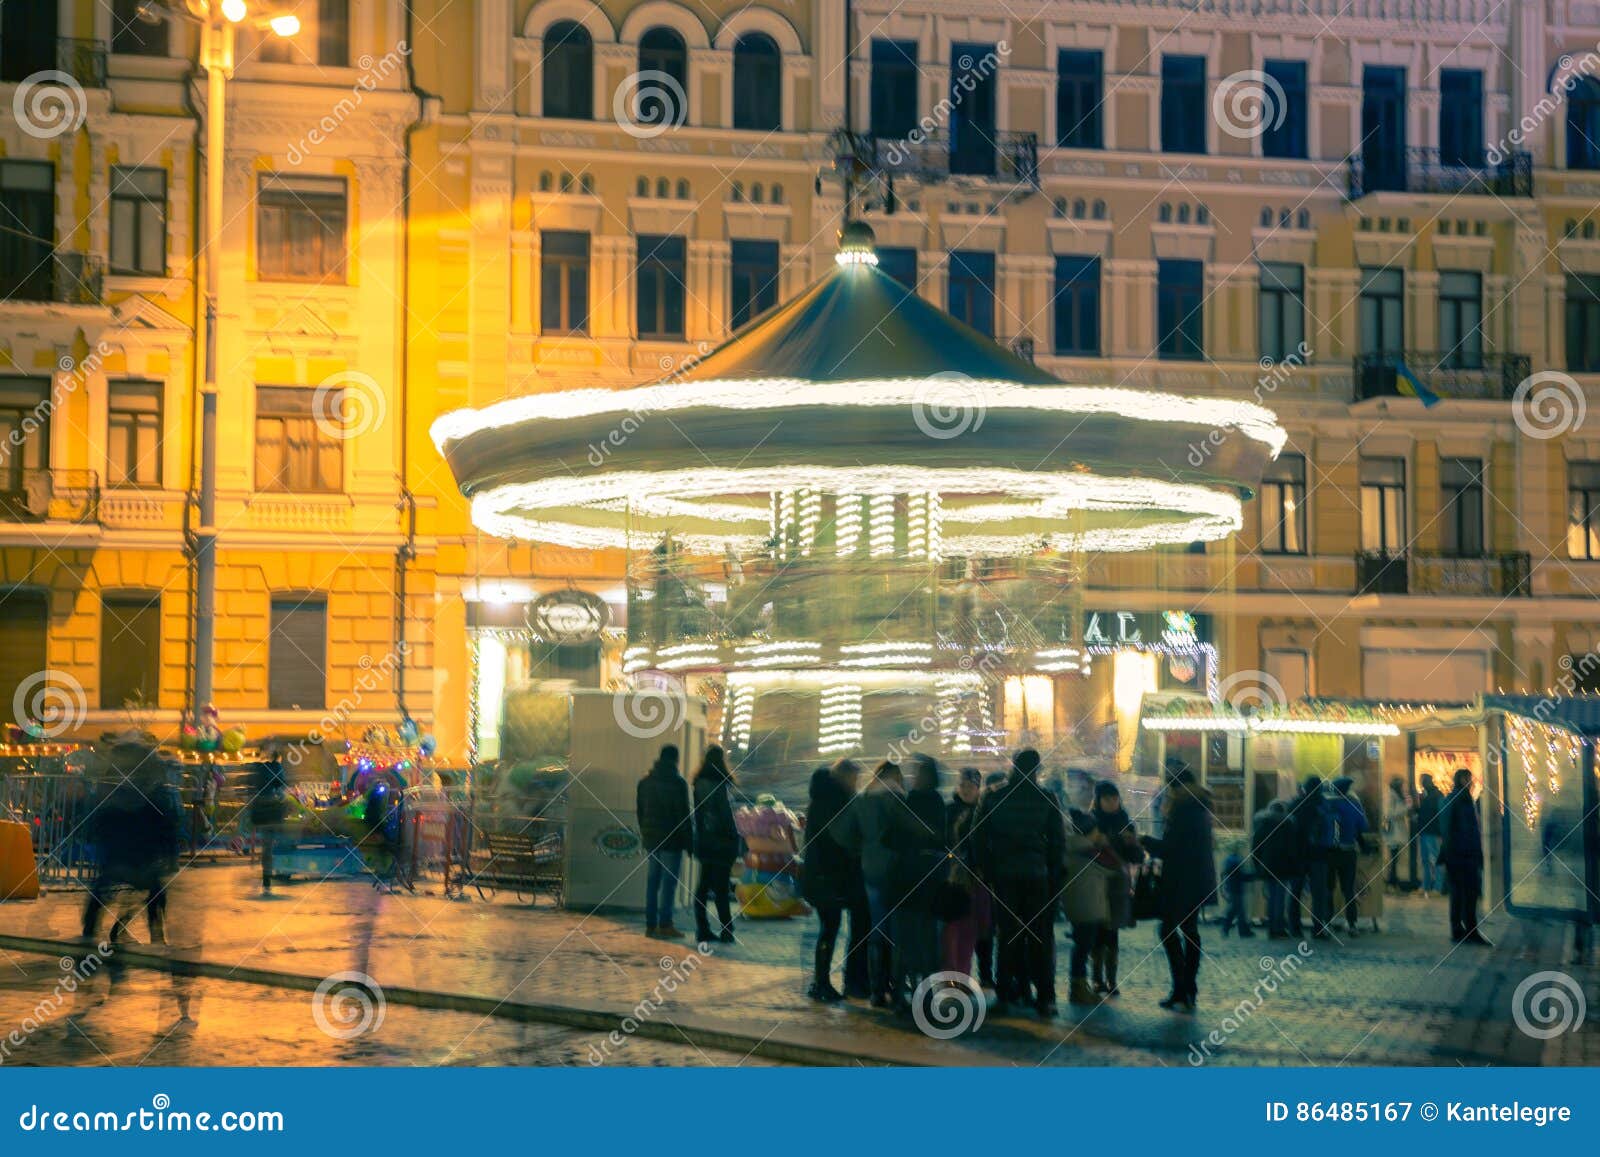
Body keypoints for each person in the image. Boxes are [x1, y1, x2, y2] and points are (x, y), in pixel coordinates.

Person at [974, 749, 1065, 1017]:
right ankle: (1046, 996)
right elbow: (1057, 844)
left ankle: (1005, 992)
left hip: (1004, 875)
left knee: (1007, 934)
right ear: (1037, 769)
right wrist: (1053, 876)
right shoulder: (1046, 799)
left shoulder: (994, 797)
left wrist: (988, 870)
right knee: (1041, 936)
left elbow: (978, 837)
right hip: (1038, 875)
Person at [82, 737, 183, 946]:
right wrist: (169, 854)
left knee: (106, 890)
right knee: (153, 891)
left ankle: (92, 929)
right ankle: (155, 933)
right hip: (139, 861)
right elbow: (166, 826)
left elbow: (98, 824)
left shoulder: (113, 793)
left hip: (119, 859)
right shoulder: (153, 795)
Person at [1141, 765, 1215, 1013]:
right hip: (1197, 880)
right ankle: (1187, 988)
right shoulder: (1200, 805)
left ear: (1176, 787)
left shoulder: (1183, 808)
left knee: (1169, 930)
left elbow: (1171, 848)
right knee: (1189, 930)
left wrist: (1144, 841)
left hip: (1182, 882)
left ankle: (1182, 987)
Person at [1065, 780, 1143, 1002]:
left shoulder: (1125, 822)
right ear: (1098, 800)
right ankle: (1096, 978)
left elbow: (1136, 857)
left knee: (1112, 932)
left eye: (1115, 798)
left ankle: (1111, 979)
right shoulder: (1091, 823)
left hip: (1117, 884)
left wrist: (1131, 844)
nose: (1112, 802)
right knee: (1095, 934)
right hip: (1094, 884)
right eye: (1107, 798)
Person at [835, 759, 904, 1006]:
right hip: (898, 873)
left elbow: (842, 833)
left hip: (871, 870)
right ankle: (896, 989)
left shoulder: (862, 800)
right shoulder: (900, 799)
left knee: (877, 929)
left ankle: (876, 990)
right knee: (897, 932)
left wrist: (862, 849)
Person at [803, 759, 871, 1001]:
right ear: (843, 777)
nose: (857, 784)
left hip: (823, 875)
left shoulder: (823, 799)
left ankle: (824, 982)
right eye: (854, 779)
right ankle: (822, 983)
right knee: (830, 929)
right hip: (828, 877)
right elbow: (841, 840)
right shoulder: (833, 802)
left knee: (830, 928)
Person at [886, 754, 948, 1009]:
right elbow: (941, 839)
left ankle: (902, 989)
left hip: (910, 877)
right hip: (928, 877)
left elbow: (893, 837)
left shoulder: (911, 800)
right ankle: (924, 989)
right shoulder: (937, 802)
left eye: (918, 772)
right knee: (927, 936)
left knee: (907, 935)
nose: (914, 776)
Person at [636, 744, 692, 939]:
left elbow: (640, 811)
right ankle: (665, 924)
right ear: (676, 760)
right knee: (668, 884)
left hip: (652, 840)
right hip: (672, 841)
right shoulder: (678, 783)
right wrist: (689, 842)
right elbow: (684, 817)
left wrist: (646, 833)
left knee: (653, 882)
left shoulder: (645, 782)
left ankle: (650, 925)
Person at [940, 767, 991, 982]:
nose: (966, 790)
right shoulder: (950, 810)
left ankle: (964, 975)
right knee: (952, 928)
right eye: (962, 785)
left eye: (970, 786)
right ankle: (951, 974)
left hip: (977, 877)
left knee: (972, 929)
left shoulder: (984, 811)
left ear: (978, 788)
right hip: (953, 878)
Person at [691, 745, 740, 945]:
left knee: (703, 888)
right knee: (721, 889)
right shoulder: (721, 786)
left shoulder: (698, 784)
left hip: (704, 842)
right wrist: (733, 841)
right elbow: (726, 818)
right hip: (722, 844)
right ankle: (727, 930)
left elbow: (700, 815)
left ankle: (702, 929)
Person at [1438, 768, 1489, 945]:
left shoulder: (1452, 798)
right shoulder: (1462, 800)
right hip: (1464, 856)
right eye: (1469, 778)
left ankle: (1459, 930)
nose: (1472, 782)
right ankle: (1469, 931)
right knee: (1468, 894)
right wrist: (1474, 853)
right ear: (1461, 780)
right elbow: (1467, 831)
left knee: (1459, 894)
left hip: (1457, 855)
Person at [972, 770, 1009, 989]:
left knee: (996, 928)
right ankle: (986, 974)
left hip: (997, 875)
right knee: (985, 928)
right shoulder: (985, 809)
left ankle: (996, 976)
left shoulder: (999, 809)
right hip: (985, 878)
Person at [1288, 776, 1334, 938]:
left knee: (1296, 892)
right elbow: (1330, 829)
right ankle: (1318, 927)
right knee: (1318, 893)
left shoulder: (1295, 804)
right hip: (1319, 855)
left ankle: (1294, 927)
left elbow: (1289, 830)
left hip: (1299, 855)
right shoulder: (1323, 805)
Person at [1328, 777, 1368, 934]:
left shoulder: (1329, 804)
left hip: (1330, 852)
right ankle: (1352, 924)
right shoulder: (1354, 804)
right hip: (1349, 852)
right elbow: (1362, 827)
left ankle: (1328, 922)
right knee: (1349, 890)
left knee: (1328, 888)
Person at [1251, 798, 1295, 937]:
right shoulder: (1288, 825)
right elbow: (1292, 849)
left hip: (1268, 865)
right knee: (1280, 898)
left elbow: (1255, 847)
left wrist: (1258, 864)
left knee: (1271, 897)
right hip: (1283, 866)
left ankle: (1271, 928)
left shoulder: (1263, 824)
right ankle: (1279, 928)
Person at [1415, 775, 1446, 896]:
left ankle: (1437, 888)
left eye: (1423, 781)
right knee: (1426, 860)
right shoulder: (1427, 796)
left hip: (1432, 832)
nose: (1422, 784)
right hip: (1425, 831)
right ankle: (1426, 886)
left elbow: (1441, 815)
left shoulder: (1436, 796)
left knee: (1434, 860)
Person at [1218, 841, 1254, 938]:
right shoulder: (1236, 860)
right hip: (1236, 888)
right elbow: (1239, 875)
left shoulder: (1230, 860)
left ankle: (1234, 929)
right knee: (1237, 909)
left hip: (1233, 887)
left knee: (1236, 908)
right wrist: (1251, 876)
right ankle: (1242, 930)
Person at [1383, 775, 1411, 889]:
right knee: (1393, 859)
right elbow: (1390, 814)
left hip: (1396, 832)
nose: (1404, 787)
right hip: (1394, 833)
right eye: (1402, 785)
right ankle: (1391, 882)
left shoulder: (1396, 795)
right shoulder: (1391, 796)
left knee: (1394, 859)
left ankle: (1392, 881)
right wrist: (1406, 808)